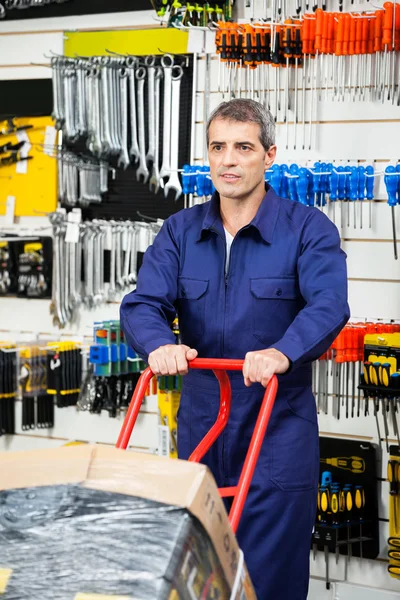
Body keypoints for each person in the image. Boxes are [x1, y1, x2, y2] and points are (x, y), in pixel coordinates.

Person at [120, 99, 350, 599]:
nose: (228, 160)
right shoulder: (180, 232)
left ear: (269, 155)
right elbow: (142, 305)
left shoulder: (308, 229)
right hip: (202, 427)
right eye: (218, 147)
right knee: (199, 580)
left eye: (243, 147)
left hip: (276, 435)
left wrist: (282, 352)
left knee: (266, 582)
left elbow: (329, 304)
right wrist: (161, 344)